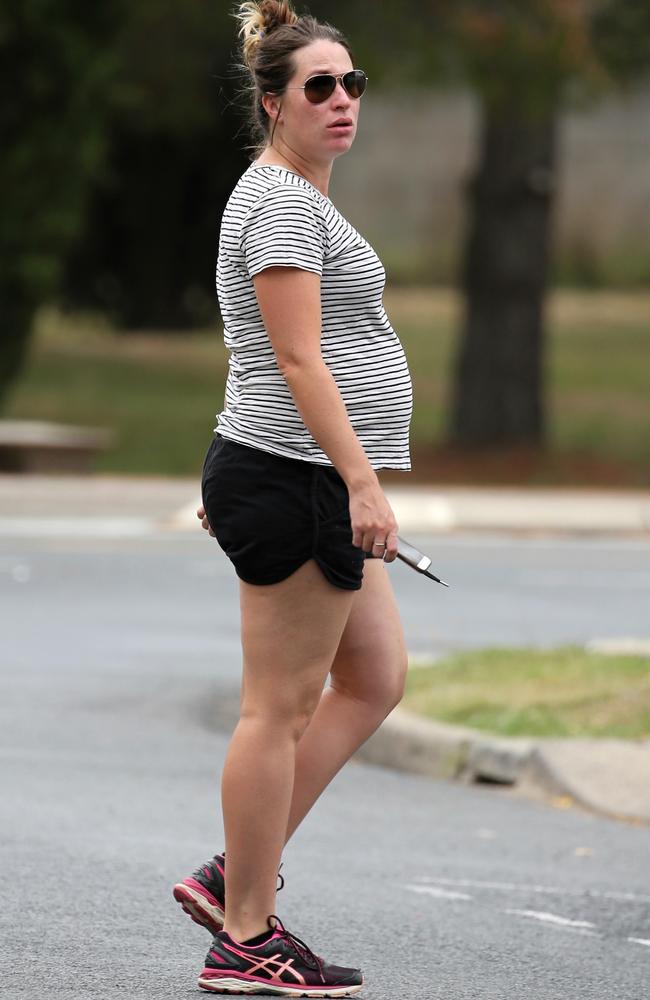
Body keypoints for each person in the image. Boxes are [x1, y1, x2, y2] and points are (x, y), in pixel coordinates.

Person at [173, 1, 413, 994]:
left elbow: (262, 358)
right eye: (319, 86)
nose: (341, 100)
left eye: (351, 82)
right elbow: (292, 354)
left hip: (287, 474)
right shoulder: (277, 200)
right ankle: (245, 936)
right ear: (273, 102)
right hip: (300, 479)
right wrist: (358, 479)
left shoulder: (302, 198)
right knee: (276, 708)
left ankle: (240, 866)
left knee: (374, 677)